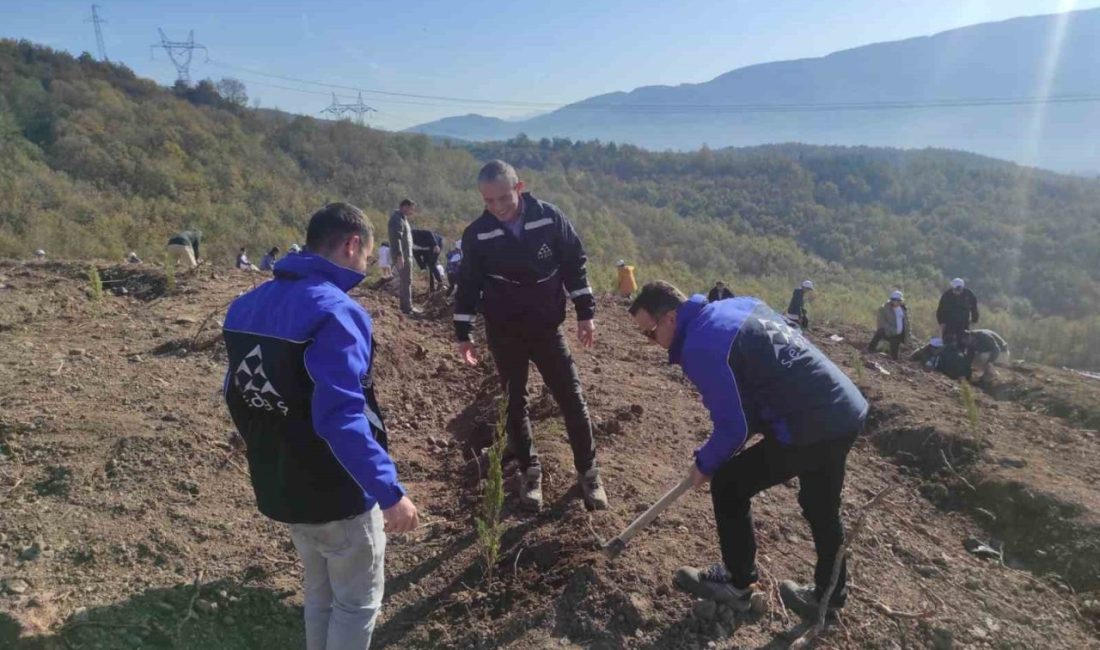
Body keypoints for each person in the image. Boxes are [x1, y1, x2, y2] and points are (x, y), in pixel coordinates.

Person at [222, 202, 419, 649]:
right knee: (356, 604)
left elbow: (235, 394)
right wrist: (390, 492)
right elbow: (340, 418)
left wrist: (271, 449)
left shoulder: (244, 307)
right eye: (367, 256)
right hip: (338, 492)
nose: (366, 266)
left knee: (320, 594)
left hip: (282, 484)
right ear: (352, 245)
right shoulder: (336, 312)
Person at [628, 281, 867, 620]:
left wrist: (705, 464)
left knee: (728, 483)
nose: (651, 343)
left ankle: (737, 584)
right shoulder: (736, 306)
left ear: (669, 319)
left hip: (811, 422)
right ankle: (829, 598)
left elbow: (736, 426)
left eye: (649, 333)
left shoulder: (700, 345)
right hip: (844, 407)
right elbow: (756, 394)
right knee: (821, 505)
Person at [454, 159, 607, 510]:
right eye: (488, 201)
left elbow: (574, 263)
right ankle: (529, 473)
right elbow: (468, 284)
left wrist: (586, 314)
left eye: (503, 199)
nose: (497, 208)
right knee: (514, 404)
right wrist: (463, 332)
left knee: (572, 399)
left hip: (546, 326)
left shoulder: (549, 218)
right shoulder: (478, 233)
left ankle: (589, 474)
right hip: (504, 331)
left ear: (519, 187)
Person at [388, 199, 418, 315]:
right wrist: (399, 255)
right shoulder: (397, 219)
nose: (412, 211)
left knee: (406, 280)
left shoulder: (402, 219)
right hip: (403, 255)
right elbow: (397, 238)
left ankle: (406, 306)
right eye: (411, 208)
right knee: (406, 281)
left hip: (406, 255)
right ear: (405, 207)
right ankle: (407, 308)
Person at [936, 278, 979, 347]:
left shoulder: (969, 295)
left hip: (964, 323)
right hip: (949, 324)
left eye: (959, 290)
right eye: (955, 290)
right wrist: (941, 322)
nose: (957, 292)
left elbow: (974, 308)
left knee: (963, 343)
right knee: (948, 344)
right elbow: (940, 310)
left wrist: (974, 320)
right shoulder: (946, 296)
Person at [868, 290, 909, 359]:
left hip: (898, 336)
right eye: (895, 300)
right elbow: (881, 323)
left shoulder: (903, 309)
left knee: (894, 354)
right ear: (891, 300)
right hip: (889, 332)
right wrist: (893, 330)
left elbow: (906, 323)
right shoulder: (884, 309)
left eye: (899, 300)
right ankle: (870, 349)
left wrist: (906, 336)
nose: (897, 302)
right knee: (879, 332)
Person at [412, 228, 446, 293]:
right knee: (427, 265)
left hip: (436, 244)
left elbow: (428, 232)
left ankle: (440, 282)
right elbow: (416, 255)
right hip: (425, 249)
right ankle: (431, 287)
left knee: (431, 264)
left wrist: (435, 244)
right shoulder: (409, 245)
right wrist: (422, 267)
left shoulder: (413, 232)